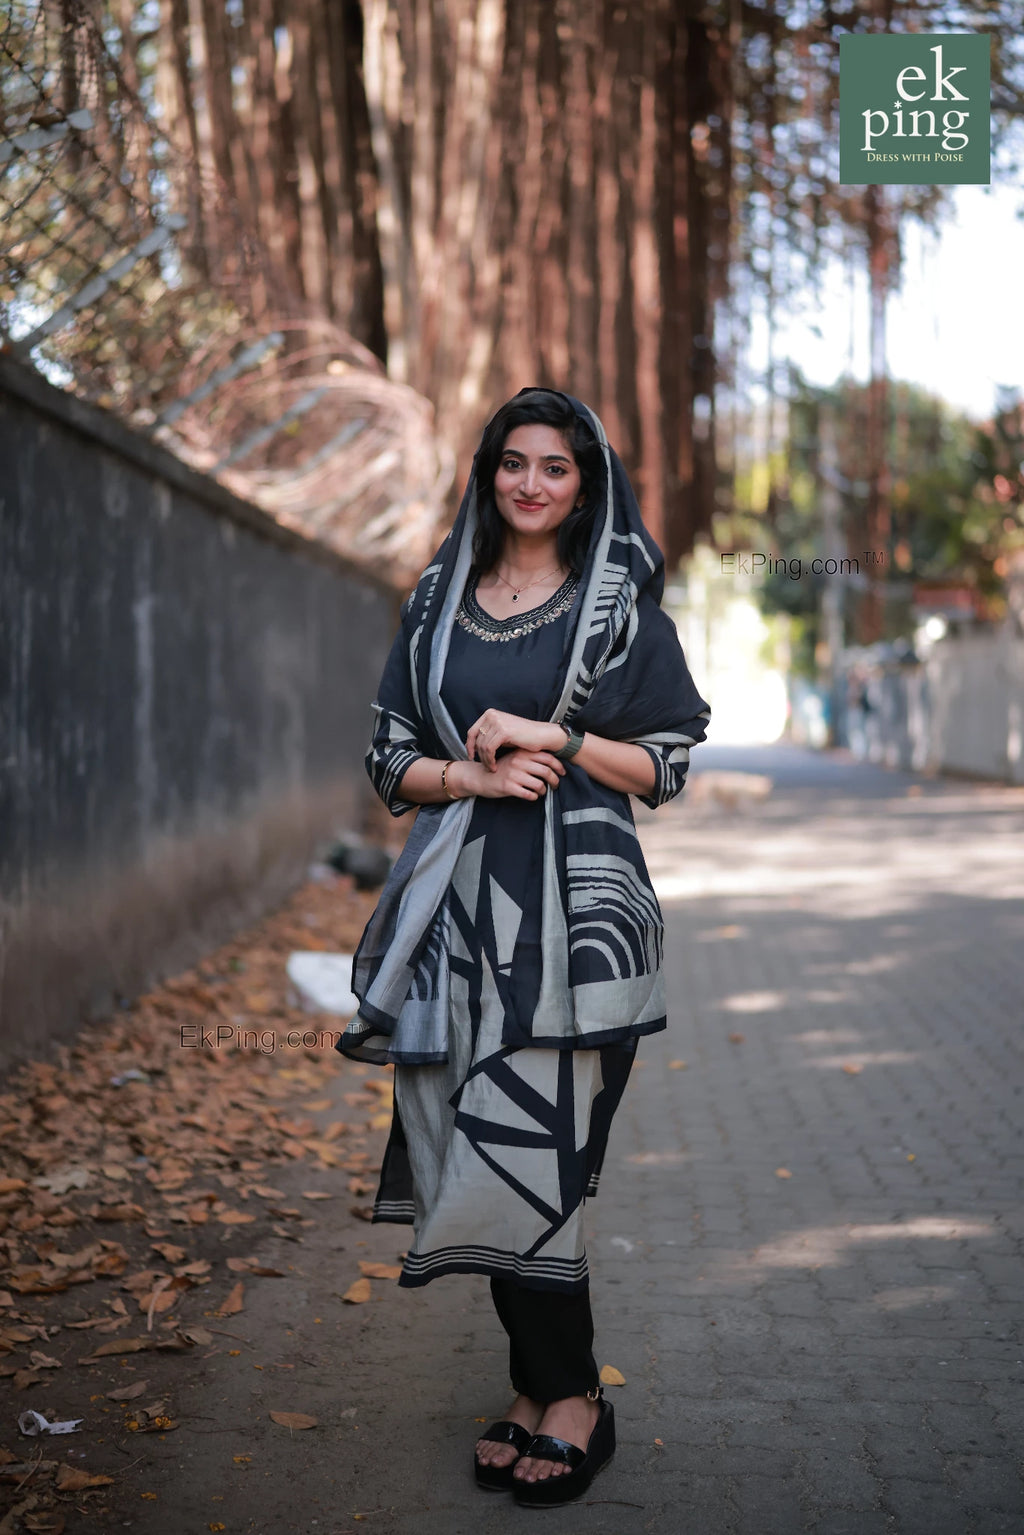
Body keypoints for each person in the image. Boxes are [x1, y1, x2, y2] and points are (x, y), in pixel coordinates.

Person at [335, 387, 711, 1507]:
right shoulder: (436, 598)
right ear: (488, 473)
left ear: (584, 483)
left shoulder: (615, 605)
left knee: (535, 1150)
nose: (531, 482)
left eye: (555, 466)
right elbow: (388, 748)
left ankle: (572, 1398)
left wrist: (560, 736)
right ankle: (533, 1387)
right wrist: (470, 773)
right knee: (470, 1143)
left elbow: (672, 760)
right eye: (513, 462)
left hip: (580, 926)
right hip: (454, 916)